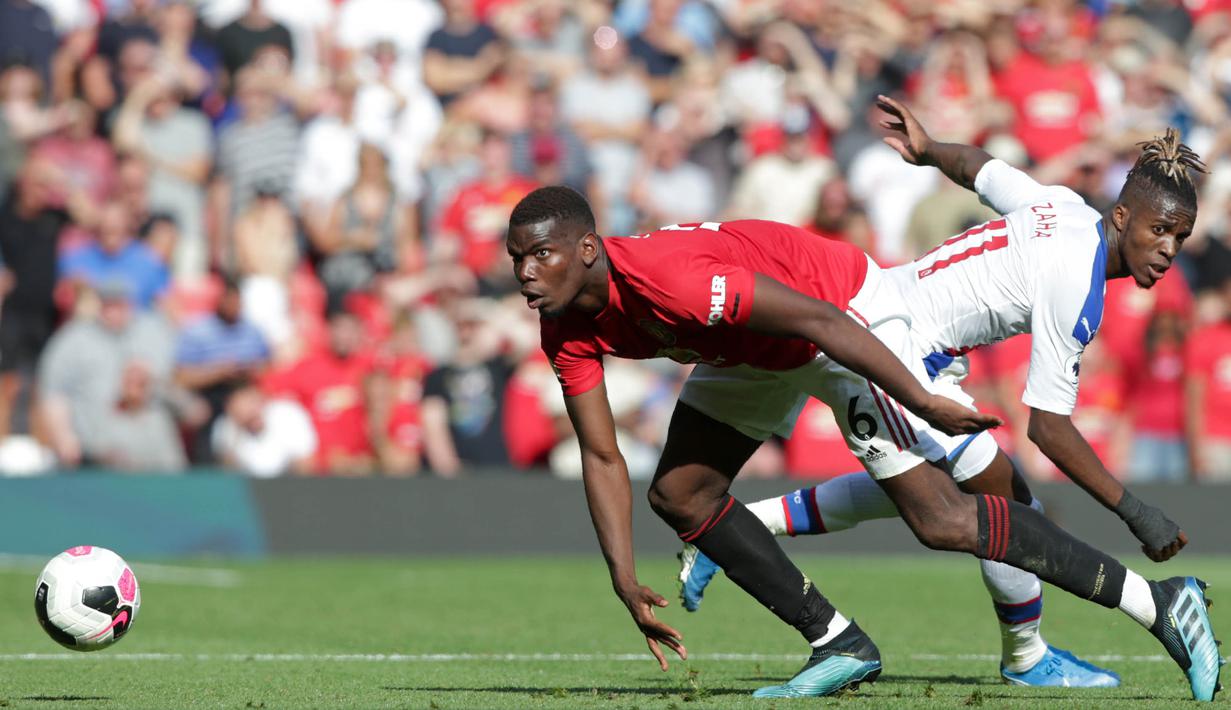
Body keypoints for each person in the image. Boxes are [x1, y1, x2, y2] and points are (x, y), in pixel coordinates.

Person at [506, 184, 1220, 700]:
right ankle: (837, 642)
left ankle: (1157, 604)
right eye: (517, 259)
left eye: (539, 255)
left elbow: (820, 322)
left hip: (844, 314)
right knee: (679, 494)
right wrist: (622, 576)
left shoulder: (675, 282)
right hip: (751, 348)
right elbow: (602, 454)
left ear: (588, 249)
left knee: (942, 517)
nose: (525, 274)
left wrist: (918, 397)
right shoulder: (563, 322)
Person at [676, 96, 1221, 696]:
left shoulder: (1063, 205)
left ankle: (745, 529)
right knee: (976, 509)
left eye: (1180, 236)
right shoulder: (1076, 284)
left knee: (974, 496)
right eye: (1158, 230)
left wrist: (930, 148)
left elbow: (978, 168)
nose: (1169, 248)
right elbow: (1049, 428)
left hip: (889, 320)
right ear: (1121, 216)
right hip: (891, 350)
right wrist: (1136, 512)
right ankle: (1072, 638)